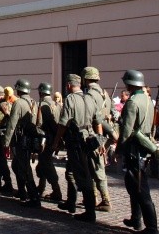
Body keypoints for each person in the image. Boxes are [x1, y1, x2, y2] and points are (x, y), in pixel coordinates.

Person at [53, 74, 97, 223]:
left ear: (69, 85)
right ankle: (71, 202)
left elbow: (63, 123)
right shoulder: (90, 98)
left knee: (83, 176)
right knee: (71, 172)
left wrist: (56, 141)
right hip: (88, 139)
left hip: (76, 141)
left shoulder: (70, 99)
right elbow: (97, 119)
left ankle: (90, 212)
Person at [118, 69, 158, 234]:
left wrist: (119, 150)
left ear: (130, 83)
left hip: (135, 149)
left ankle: (151, 227)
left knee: (141, 189)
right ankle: (136, 219)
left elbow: (127, 130)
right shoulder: (148, 99)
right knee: (133, 186)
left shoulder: (133, 102)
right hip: (144, 146)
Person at [2, 79, 39, 207]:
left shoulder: (19, 103)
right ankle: (22, 191)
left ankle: (34, 197)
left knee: (24, 168)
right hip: (29, 139)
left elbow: (12, 124)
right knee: (17, 166)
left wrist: (6, 142)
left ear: (19, 89)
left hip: (21, 140)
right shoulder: (33, 102)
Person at [82, 66, 114, 212]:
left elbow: (94, 118)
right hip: (104, 135)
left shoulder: (89, 95)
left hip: (95, 135)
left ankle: (105, 200)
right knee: (94, 166)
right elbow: (111, 113)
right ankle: (94, 198)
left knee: (97, 167)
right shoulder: (104, 94)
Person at [34, 82, 61, 201]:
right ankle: (41, 186)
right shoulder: (57, 104)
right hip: (54, 138)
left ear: (40, 92)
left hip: (45, 139)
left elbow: (39, 123)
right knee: (43, 162)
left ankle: (56, 190)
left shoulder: (42, 104)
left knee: (46, 163)